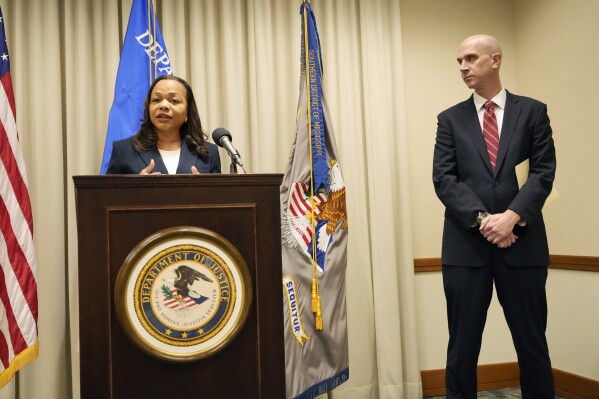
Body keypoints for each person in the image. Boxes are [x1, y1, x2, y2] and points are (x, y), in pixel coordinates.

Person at [432, 34, 556, 398]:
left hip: (523, 246)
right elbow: (444, 179)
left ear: (496, 59)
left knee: (532, 345)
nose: (463, 67)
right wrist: (487, 220)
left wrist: (513, 216)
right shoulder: (450, 120)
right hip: (465, 249)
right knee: (462, 348)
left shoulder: (532, 111)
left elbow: (543, 172)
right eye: (459, 61)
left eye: (470, 58)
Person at [106, 75, 221, 174]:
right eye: (156, 100)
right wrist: (137, 189)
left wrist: (204, 192)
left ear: (188, 111)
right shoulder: (123, 150)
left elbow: (219, 198)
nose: (163, 106)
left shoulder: (209, 153)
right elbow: (108, 198)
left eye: (174, 100)